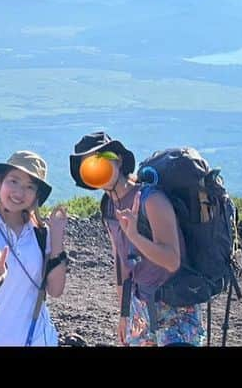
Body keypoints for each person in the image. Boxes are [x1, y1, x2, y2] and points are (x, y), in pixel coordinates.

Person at [70, 131, 206, 346]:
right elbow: (121, 263)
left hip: (175, 310)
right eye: (89, 165)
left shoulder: (151, 200)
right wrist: (124, 315)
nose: (97, 168)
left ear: (119, 160)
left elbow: (172, 260)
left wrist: (134, 235)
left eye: (102, 160)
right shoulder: (108, 207)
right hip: (140, 308)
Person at [0, 151, 68, 346]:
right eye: (13, 181)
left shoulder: (42, 236)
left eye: (29, 187)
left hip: (40, 340)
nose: (19, 192)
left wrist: (57, 239)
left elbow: (56, 290)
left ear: (36, 196)